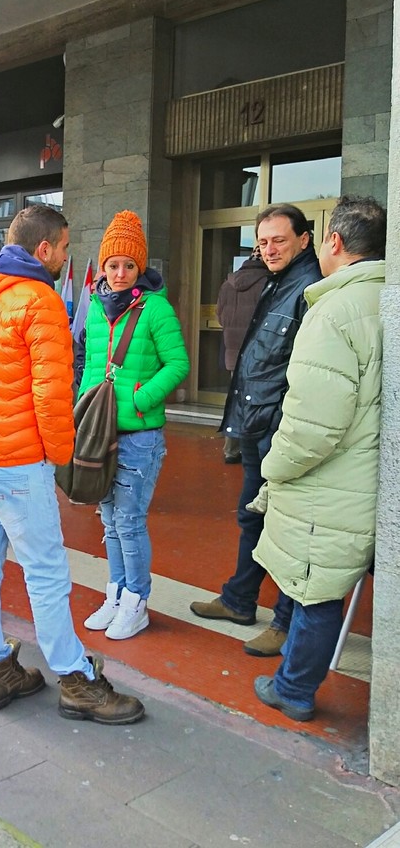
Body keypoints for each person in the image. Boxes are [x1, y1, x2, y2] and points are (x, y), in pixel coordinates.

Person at [0, 204, 144, 724]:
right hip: (16, 458)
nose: (65, 256)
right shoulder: (41, 301)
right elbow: (52, 395)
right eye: (62, 247)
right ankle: (75, 678)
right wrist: (62, 460)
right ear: (43, 249)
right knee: (46, 569)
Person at [251, 196, 386, 721]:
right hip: (369, 476)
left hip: (331, 481)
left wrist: (273, 467)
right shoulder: (385, 300)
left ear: (332, 242)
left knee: (316, 587)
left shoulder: (334, 310)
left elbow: (313, 424)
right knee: (326, 583)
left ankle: (294, 688)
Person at [190, 203, 322, 657]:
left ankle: (284, 624)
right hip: (255, 421)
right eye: (263, 241)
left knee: (285, 530)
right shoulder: (278, 282)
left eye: (279, 240)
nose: (269, 249)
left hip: (279, 429)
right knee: (252, 515)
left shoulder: (308, 289)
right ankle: (239, 600)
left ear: (305, 240)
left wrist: (284, 432)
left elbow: (304, 374)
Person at [80, 210, 190, 640]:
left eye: (129, 265)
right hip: (101, 430)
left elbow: (179, 364)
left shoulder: (155, 309)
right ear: (103, 266)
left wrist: (141, 398)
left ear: (140, 267)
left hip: (141, 435)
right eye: (113, 265)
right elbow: (89, 366)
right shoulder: (94, 307)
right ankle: (116, 592)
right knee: (108, 521)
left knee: (128, 521)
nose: (121, 273)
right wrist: (81, 410)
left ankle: (136, 601)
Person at [216, 245, 268, 464]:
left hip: (232, 352)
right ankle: (253, 450)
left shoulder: (228, 284)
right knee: (257, 402)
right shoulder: (268, 282)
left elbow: (220, 315)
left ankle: (230, 449)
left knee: (235, 401)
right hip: (259, 353)